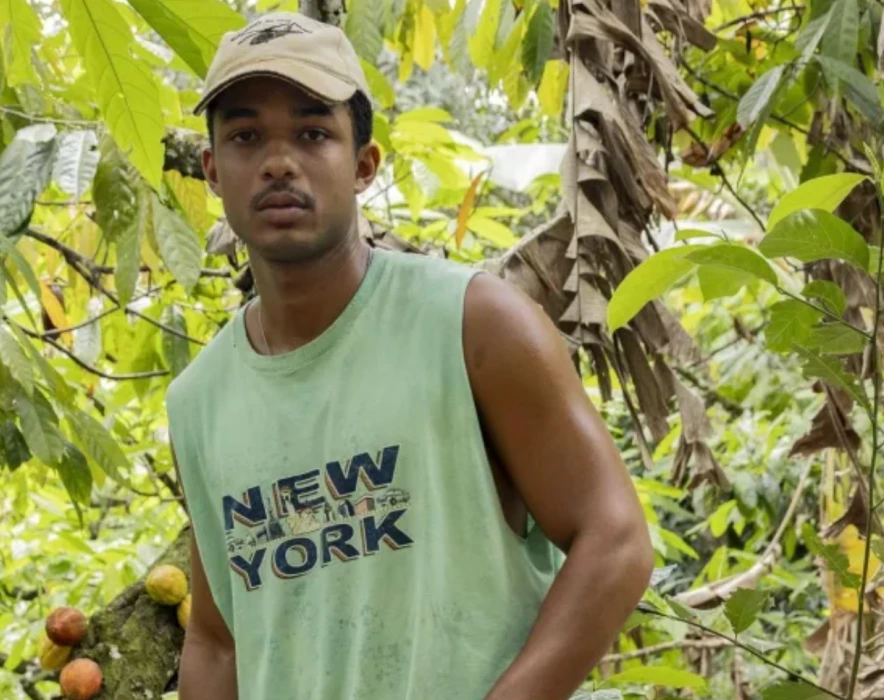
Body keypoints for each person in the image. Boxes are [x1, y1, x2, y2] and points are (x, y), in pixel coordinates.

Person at [165, 12, 653, 700]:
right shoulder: (198, 400)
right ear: (213, 170)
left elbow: (616, 538)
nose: (278, 161)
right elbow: (217, 642)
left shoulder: (473, 323)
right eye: (246, 137)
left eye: (312, 132)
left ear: (363, 164)